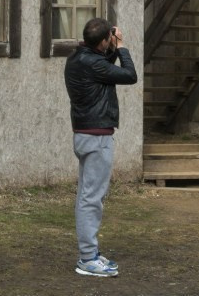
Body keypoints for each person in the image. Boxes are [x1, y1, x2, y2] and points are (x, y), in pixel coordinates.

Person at [64, 17, 137, 278]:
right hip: (97, 138)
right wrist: (122, 47)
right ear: (103, 41)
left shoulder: (77, 59)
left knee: (87, 196)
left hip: (84, 134)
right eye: (109, 39)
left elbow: (103, 67)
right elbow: (130, 75)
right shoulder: (93, 62)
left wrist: (112, 46)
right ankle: (87, 259)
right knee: (91, 199)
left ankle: (90, 254)